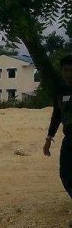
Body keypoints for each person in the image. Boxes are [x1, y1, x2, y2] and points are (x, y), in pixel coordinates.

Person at [43, 54, 72, 198]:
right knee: (65, 175)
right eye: (66, 70)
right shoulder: (60, 91)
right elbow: (57, 115)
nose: (69, 74)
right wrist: (49, 137)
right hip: (70, 138)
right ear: (61, 71)